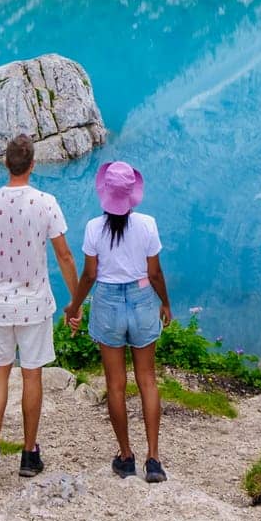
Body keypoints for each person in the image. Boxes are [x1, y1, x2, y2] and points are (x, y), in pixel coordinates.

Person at [0, 132, 79, 480]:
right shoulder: (46, 202)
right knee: (31, 375)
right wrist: (75, 301)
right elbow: (65, 255)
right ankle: (28, 455)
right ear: (33, 165)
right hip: (35, 305)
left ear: (5, 163)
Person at [64, 160, 171, 483]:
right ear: (132, 196)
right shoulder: (148, 225)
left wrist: (74, 307)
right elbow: (153, 272)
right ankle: (153, 459)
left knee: (115, 384)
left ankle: (126, 456)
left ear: (106, 195)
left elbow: (89, 274)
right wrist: (165, 302)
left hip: (108, 302)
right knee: (147, 379)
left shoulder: (93, 229)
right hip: (141, 300)